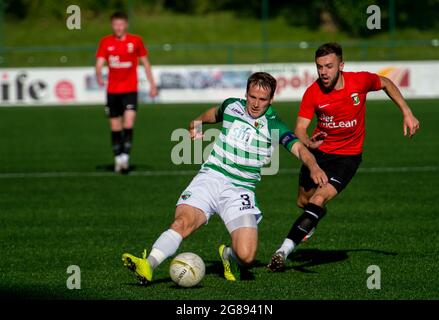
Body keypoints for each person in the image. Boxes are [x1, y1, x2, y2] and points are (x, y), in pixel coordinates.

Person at [121, 72, 328, 283]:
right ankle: (148, 265)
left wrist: (313, 166)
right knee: (183, 222)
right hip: (211, 177)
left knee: (246, 256)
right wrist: (196, 124)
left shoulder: (274, 125)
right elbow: (212, 114)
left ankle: (228, 256)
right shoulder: (232, 106)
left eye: (262, 99)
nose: (255, 104)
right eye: (252, 97)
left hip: (240, 190)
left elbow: (300, 149)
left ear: (271, 99)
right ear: (246, 94)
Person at [268, 42, 420, 271]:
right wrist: (308, 141)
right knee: (304, 202)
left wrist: (407, 112)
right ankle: (314, 216)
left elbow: (386, 82)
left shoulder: (359, 81)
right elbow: (300, 128)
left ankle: (283, 252)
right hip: (319, 155)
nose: (323, 72)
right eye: (319, 67)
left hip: (347, 158)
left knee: (318, 200)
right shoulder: (313, 92)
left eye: (329, 66)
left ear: (341, 65)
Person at [95, 11, 158, 173]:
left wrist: (152, 85)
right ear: (112, 25)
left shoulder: (136, 41)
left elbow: (145, 63)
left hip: (130, 89)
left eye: (121, 24)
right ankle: (117, 158)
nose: (118, 27)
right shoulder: (105, 42)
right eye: (116, 24)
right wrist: (98, 75)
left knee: (128, 123)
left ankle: (125, 158)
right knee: (115, 127)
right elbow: (99, 62)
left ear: (126, 25)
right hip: (113, 91)